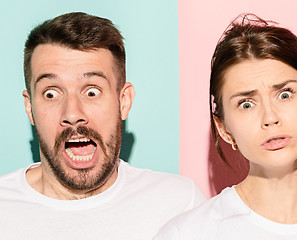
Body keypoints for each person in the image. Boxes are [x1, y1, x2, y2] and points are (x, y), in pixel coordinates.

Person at [0, 12, 205, 239]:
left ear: (123, 101)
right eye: (51, 94)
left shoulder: (179, 205)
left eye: (91, 92)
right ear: (29, 108)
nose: (72, 113)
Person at [154, 14, 297, 239]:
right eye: (247, 104)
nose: (270, 117)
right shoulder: (188, 233)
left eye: (285, 94)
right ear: (223, 128)